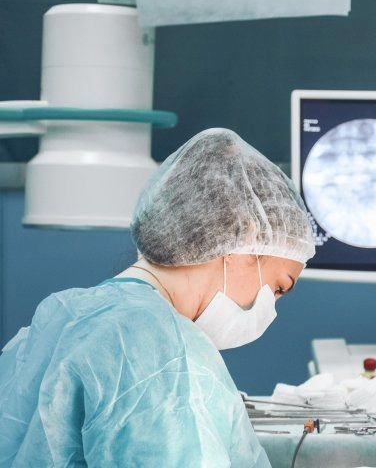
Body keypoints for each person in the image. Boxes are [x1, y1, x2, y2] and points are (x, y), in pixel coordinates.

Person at [0, 128, 315, 466]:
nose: (270, 308)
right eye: (279, 287)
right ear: (245, 234)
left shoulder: (62, 315)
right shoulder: (166, 356)